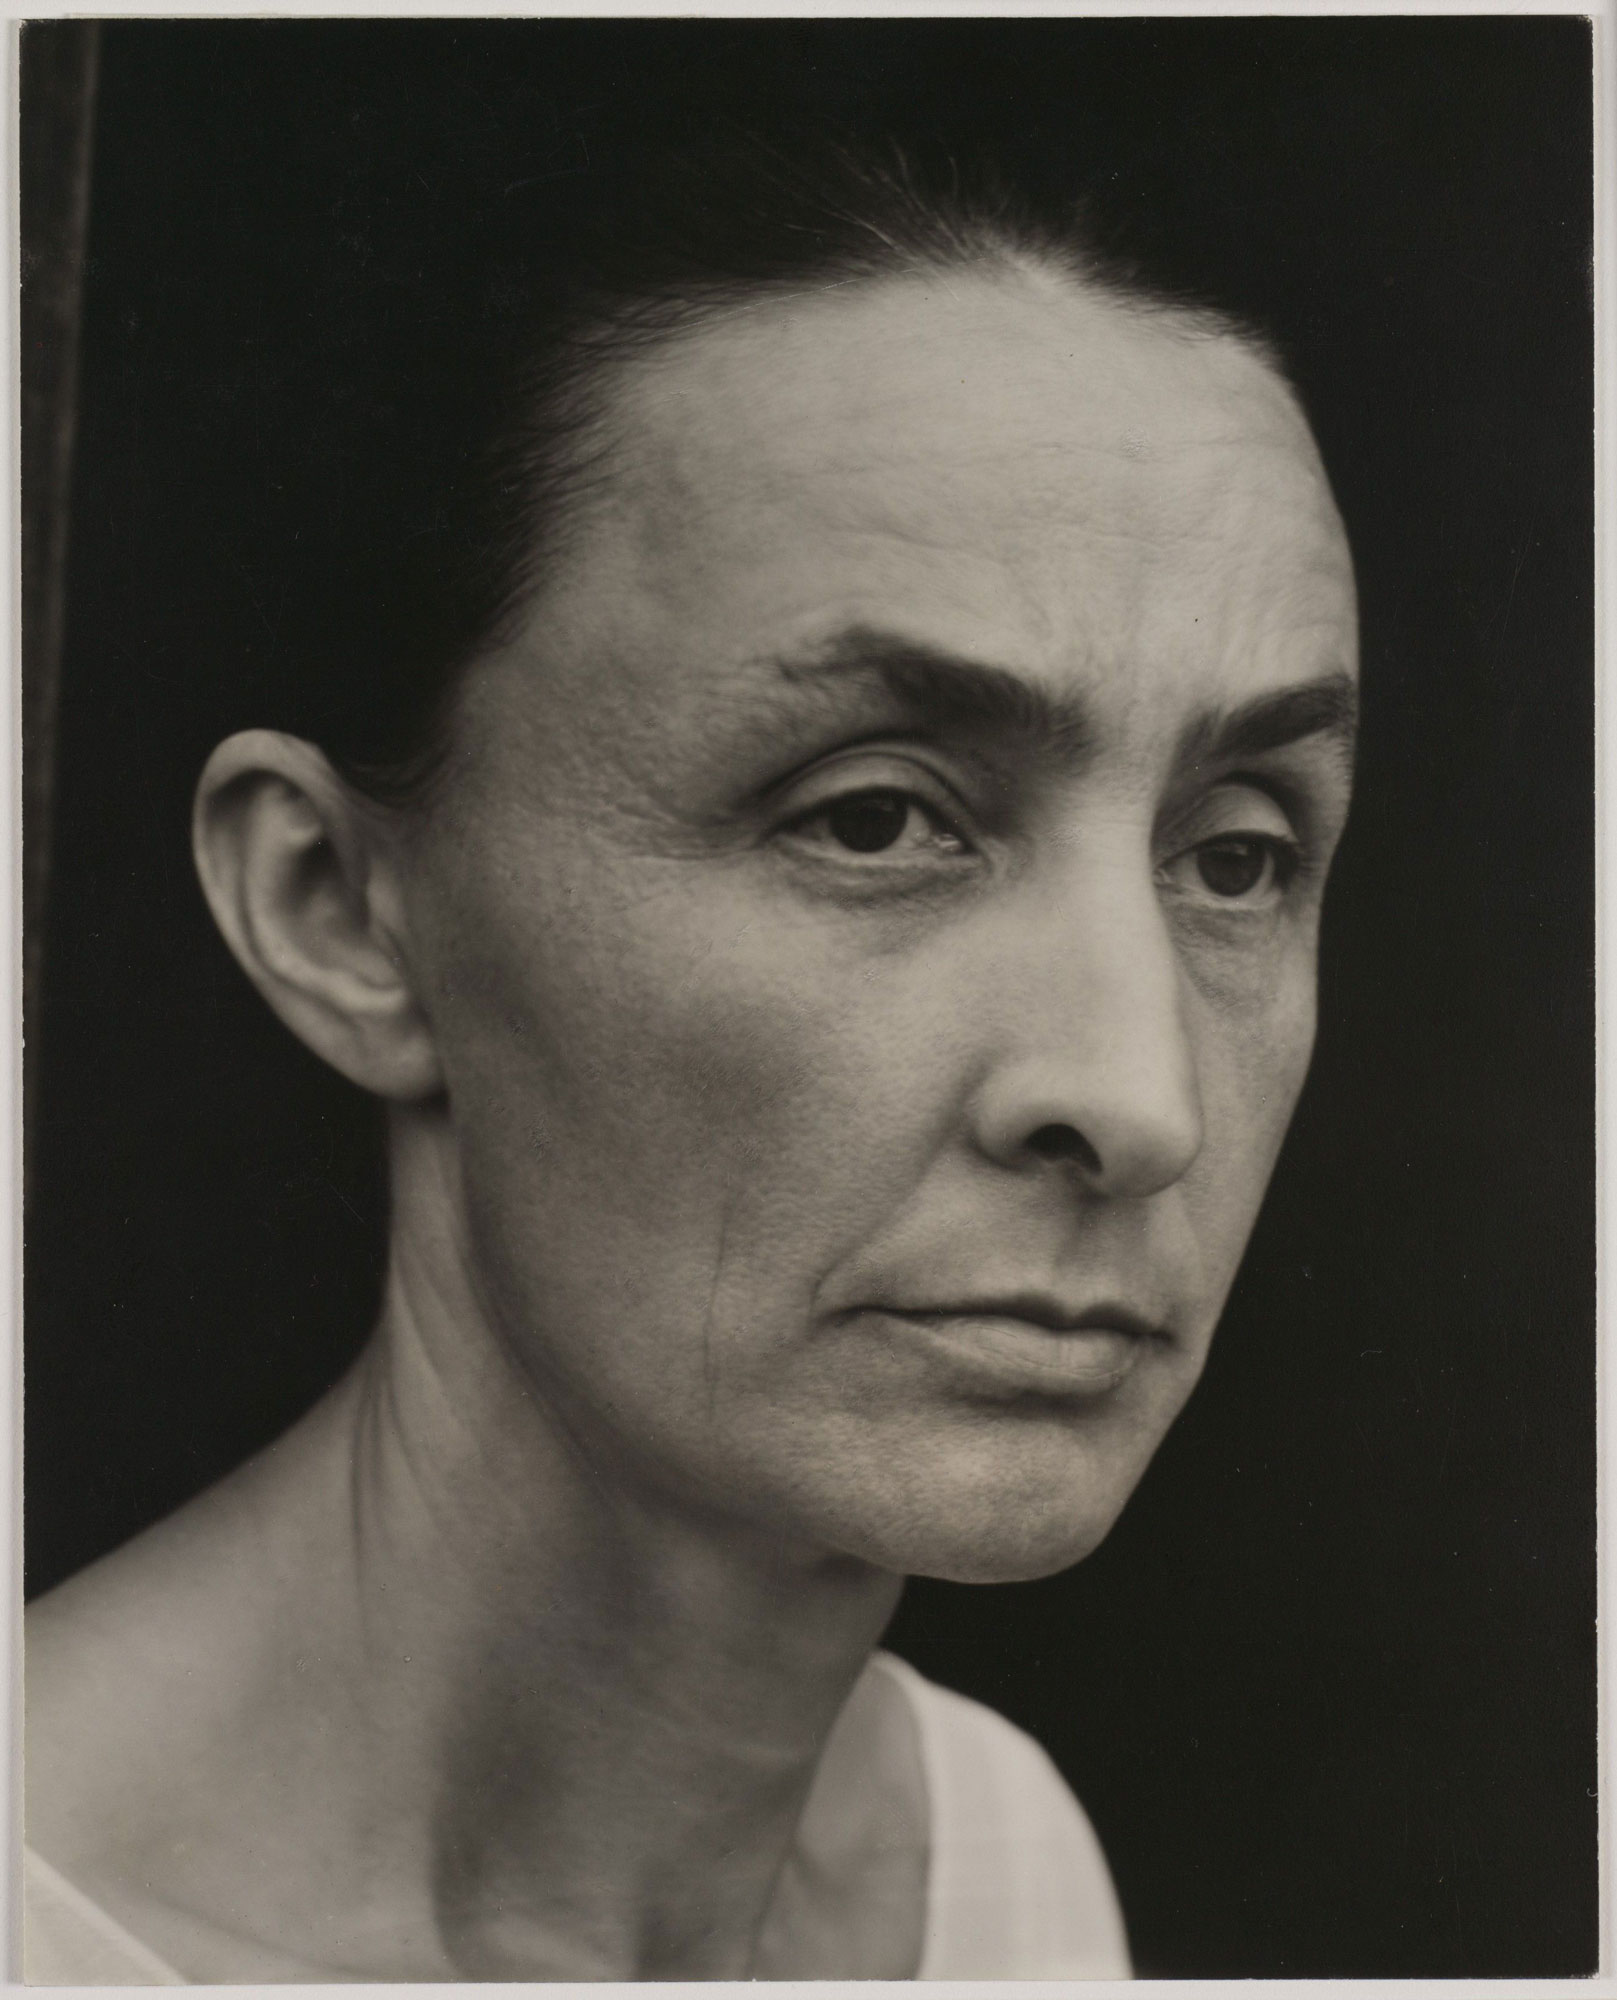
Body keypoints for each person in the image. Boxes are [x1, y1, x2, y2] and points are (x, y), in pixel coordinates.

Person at [23, 123, 1358, 1982]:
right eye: (875, 819)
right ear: (340, 909)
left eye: (1234, 858)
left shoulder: (995, 1868)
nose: (1141, 1100)